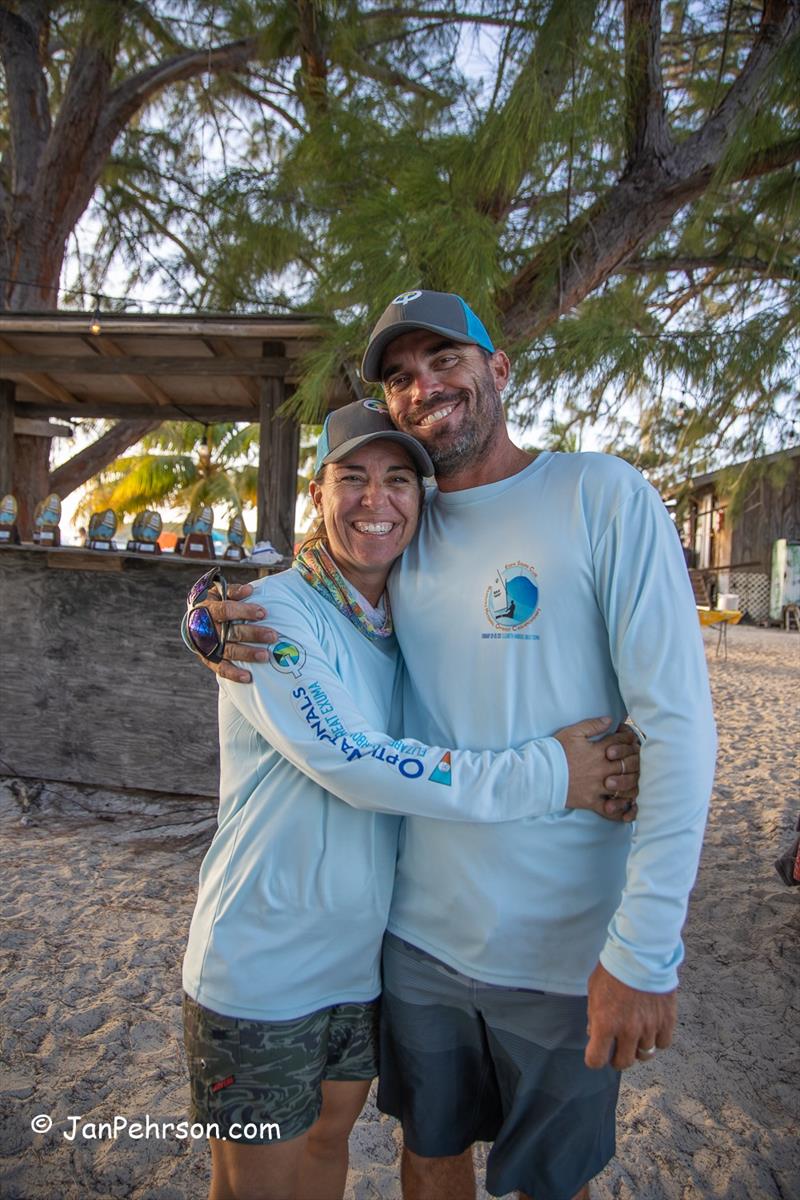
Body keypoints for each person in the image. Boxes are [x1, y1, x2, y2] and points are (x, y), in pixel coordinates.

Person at [191, 290, 715, 1200]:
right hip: (412, 946)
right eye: (400, 376)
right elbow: (319, 650)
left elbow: (677, 727)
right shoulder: (400, 541)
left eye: (445, 361)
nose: (424, 386)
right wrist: (207, 613)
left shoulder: (597, 495)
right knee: (427, 1159)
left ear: (499, 368)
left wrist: (647, 949)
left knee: (549, 1184)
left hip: (561, 951)